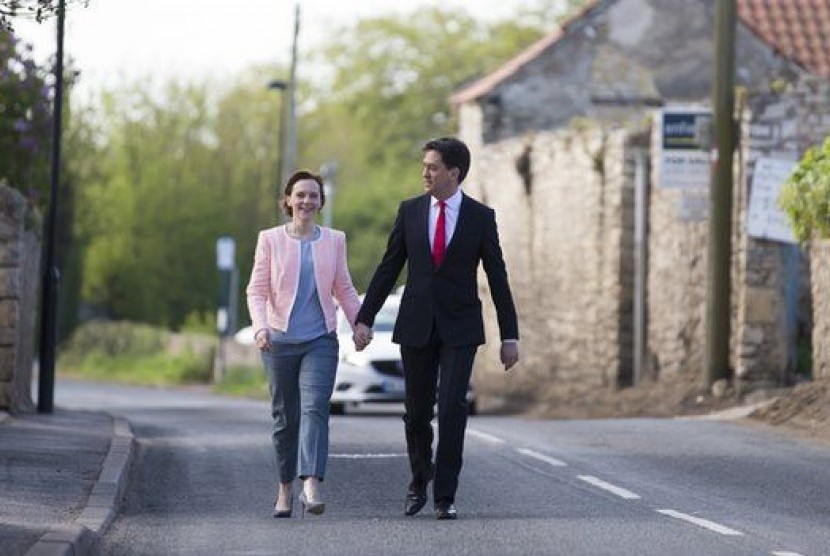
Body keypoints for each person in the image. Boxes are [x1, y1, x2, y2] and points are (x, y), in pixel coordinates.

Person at [353, 137, 519, 520]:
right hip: (415, 324)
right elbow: (388, 267)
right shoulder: (409, 211)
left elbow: (498, 278)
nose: (424, 172)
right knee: (415, 413)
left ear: (453, 173)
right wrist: (365, 317)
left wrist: (510, 336)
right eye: (424, 165)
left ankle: (446, 495)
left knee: (452, 408)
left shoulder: (480, 217)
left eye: (432, 166)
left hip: (460, 327)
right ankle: (418, 482)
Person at [246, 169, 364, 518]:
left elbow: (343, 288)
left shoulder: (334, 240)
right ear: (287, 200)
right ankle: (284, 490)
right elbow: (256, 289)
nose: (306, 201)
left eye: (313, 195)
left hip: (320, 340)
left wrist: (360, 324)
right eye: (300, 195)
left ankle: (310, 483)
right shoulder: (270, 239)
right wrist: (260, 327)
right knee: (286, 419)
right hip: (278, 341)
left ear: (321, 202)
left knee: (315, 408)